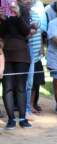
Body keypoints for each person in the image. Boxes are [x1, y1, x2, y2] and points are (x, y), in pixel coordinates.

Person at [0, 0, 32, 129]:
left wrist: (18, 15)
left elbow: (26, 32)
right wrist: (1, 20)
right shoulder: (1, 8)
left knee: (20, 87)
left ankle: (23, 118)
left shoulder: (23, 9)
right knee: (7, 87)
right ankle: (11, 119)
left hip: (21, 53)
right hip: (5, 53)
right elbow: (1, 34)